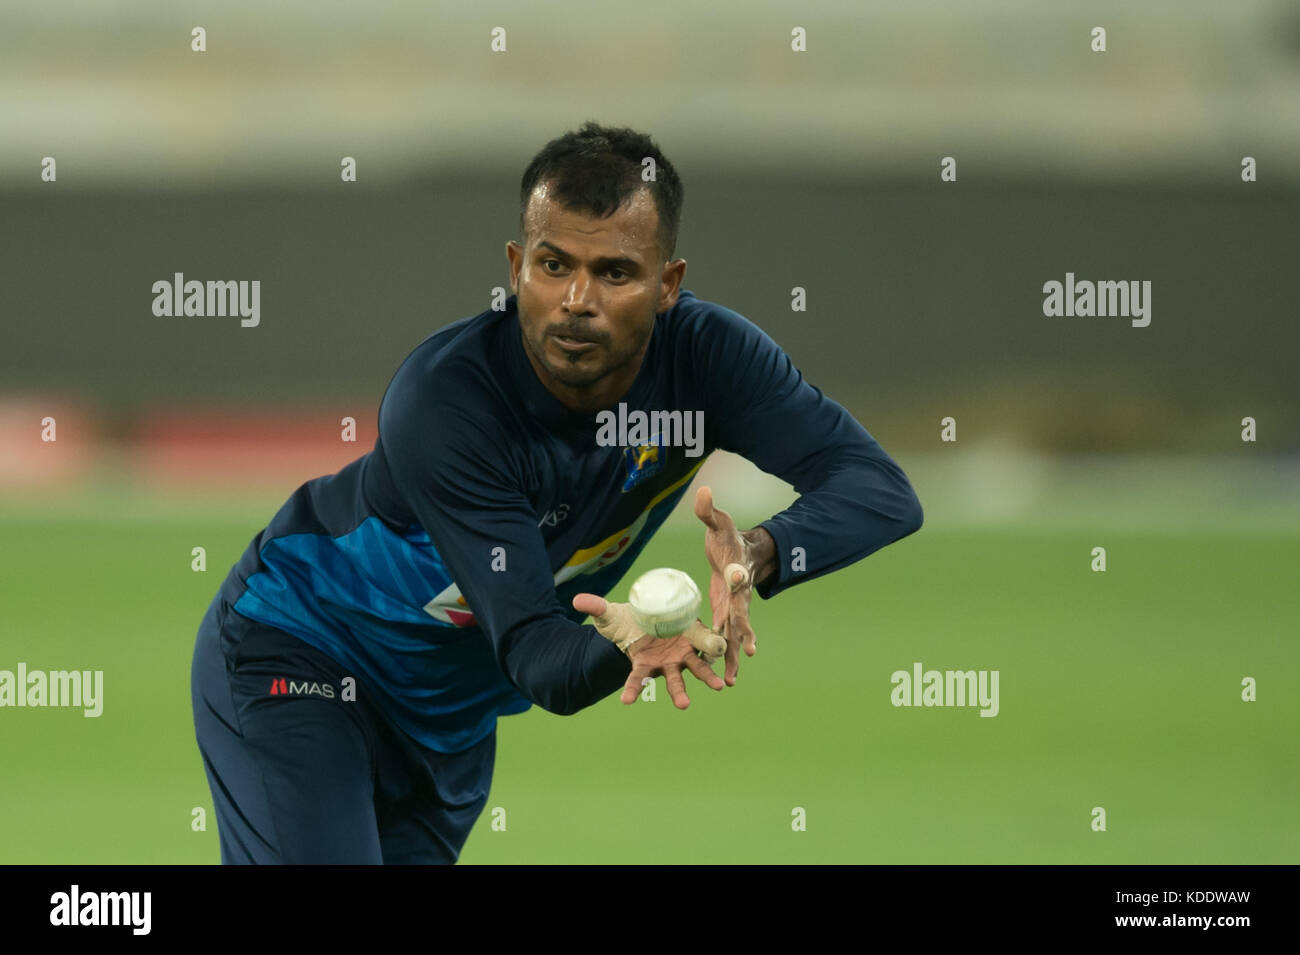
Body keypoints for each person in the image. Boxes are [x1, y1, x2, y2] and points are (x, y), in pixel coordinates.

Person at [190, 120, 923, 864]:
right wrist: (631, 640)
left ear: (667, 285)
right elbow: (540, 654)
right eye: (552, 264)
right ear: (515, 268)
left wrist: (760, 552)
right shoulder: (448, 403)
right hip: (303, 649)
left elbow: (879, 490)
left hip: (450, 724)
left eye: (614, 272)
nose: (576, 299)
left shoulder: (710, 362)